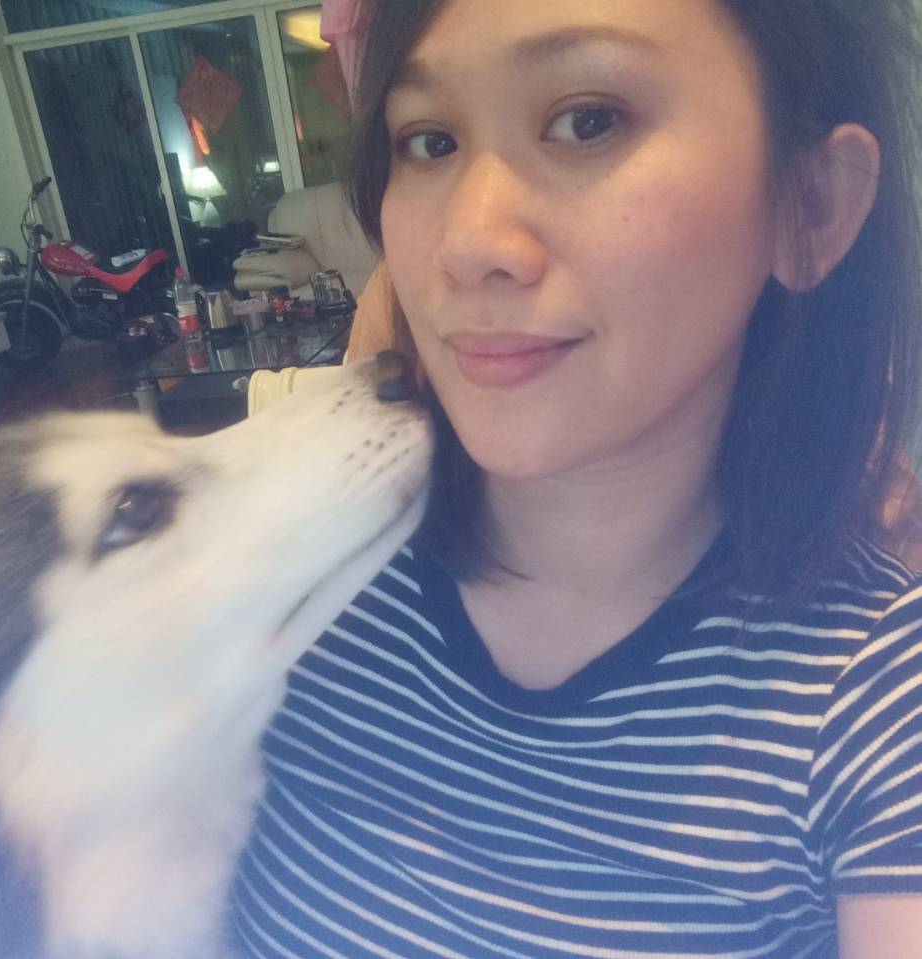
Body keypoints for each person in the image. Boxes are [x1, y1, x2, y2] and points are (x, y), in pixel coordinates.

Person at [231, 1, 922, 955]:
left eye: (586, 120)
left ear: (809, 204)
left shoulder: (875, 700)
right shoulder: (286, 583)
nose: (468, 242)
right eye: (428, 141)